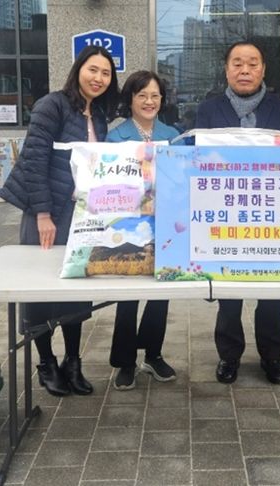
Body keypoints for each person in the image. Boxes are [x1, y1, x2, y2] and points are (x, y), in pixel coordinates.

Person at [0, 46, 119, 397]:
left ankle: (73, 362)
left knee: (75, 289)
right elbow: (34, 160)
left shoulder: (98, 115)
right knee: (40, 289)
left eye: (106, 73)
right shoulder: (51, 105)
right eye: (93, 69)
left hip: (80, 214)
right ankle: (46, 362)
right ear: (78, 69)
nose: (98, 78)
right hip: (46, 212)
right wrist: (43, 214)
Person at [195, 40, 280, 385]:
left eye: (252, 63)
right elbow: (197, 159)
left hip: (273, 212)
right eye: (237, 63)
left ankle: (272, 356)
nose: (245, 70)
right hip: (225, 212)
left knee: (273, 291)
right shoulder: (209, 110)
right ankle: (229, 356)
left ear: (263, 69)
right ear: (226, 69)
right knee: (228, 292)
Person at [106, 70, 180, 390]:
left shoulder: (173, 134)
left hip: (166, 223)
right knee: (128, 293)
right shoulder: (115, 137)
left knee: (161, 292)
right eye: (142, 96)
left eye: (155, 96)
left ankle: (153, 354)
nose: (149, 102)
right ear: (131, 99)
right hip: (130, 223)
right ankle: (125, 361)